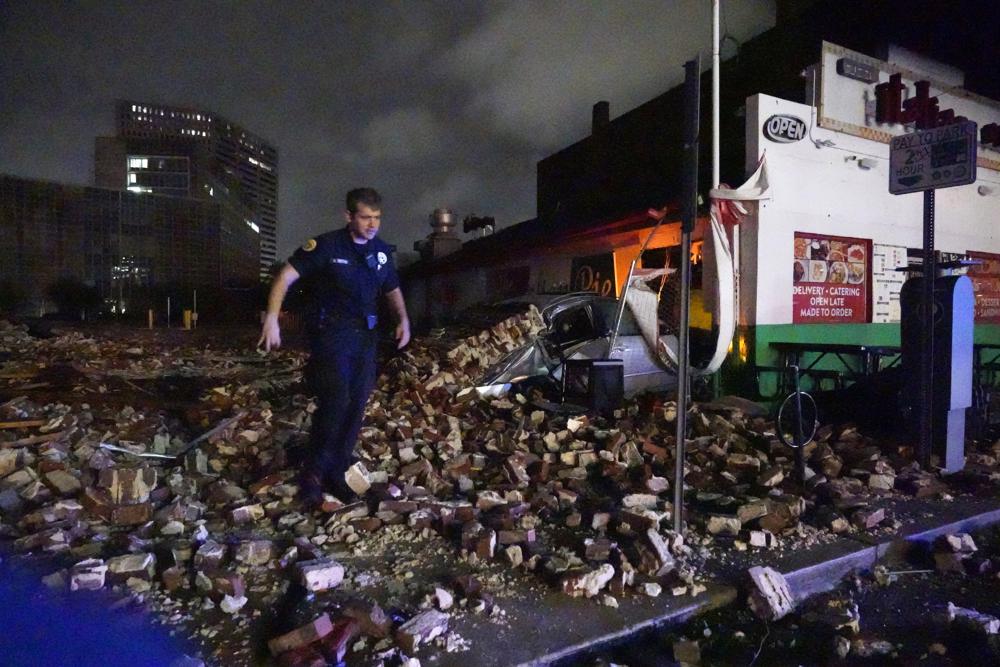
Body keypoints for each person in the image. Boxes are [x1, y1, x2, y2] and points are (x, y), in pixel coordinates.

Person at [258, 187, 410, 502]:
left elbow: (392, 289)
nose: (372, 224)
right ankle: (314, 473)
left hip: (366, 339)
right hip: (332, 337)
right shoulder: (326, 246)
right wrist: (272, 318)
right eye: (365, 217)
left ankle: (338, 470)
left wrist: (403, 319)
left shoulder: (380, 252)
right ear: (349, 216)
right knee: (336, 401)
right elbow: (285, 277)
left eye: (377, 218)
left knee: (356, 405)